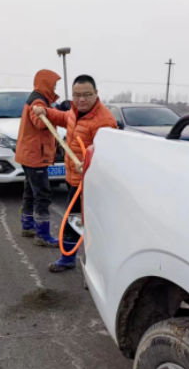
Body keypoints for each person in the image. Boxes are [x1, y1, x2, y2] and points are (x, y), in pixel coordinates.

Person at [32, 74, 117, 272]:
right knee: (74, 220)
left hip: (92, 185)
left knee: (87, 223)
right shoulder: (74, 112)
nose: (81, 99)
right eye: (77, 95)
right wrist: (45, 111)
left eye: (87, 95)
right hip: (75, 180)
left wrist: (90, 164)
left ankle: (93, 265)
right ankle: (70, 258)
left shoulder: (104, 122)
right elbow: (63, 117)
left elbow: (108, 157)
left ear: (96, 94)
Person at [14, 69, 62, 247]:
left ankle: (28, 225)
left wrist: (54, 109)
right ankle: (42, 234)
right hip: (35, 156)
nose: (55, 87)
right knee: (42, 194)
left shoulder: (36, 98)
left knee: (30, 191)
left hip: (28, 154)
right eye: (53, 84)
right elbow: (41, 122)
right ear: (46, 83)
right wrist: (50, 112)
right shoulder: (38, 101)